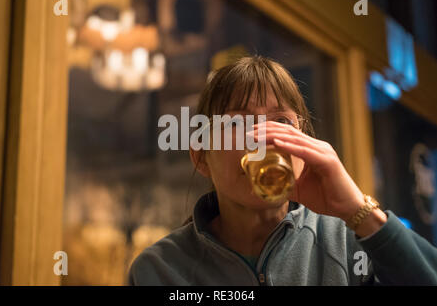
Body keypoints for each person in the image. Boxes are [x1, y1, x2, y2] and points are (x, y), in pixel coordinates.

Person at [128, 56, 437, 285]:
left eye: (281, 122)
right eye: (238, 123)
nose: (265, 138)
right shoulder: (161, 270)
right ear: (201, 158)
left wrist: (359, 211)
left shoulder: (350, 244)